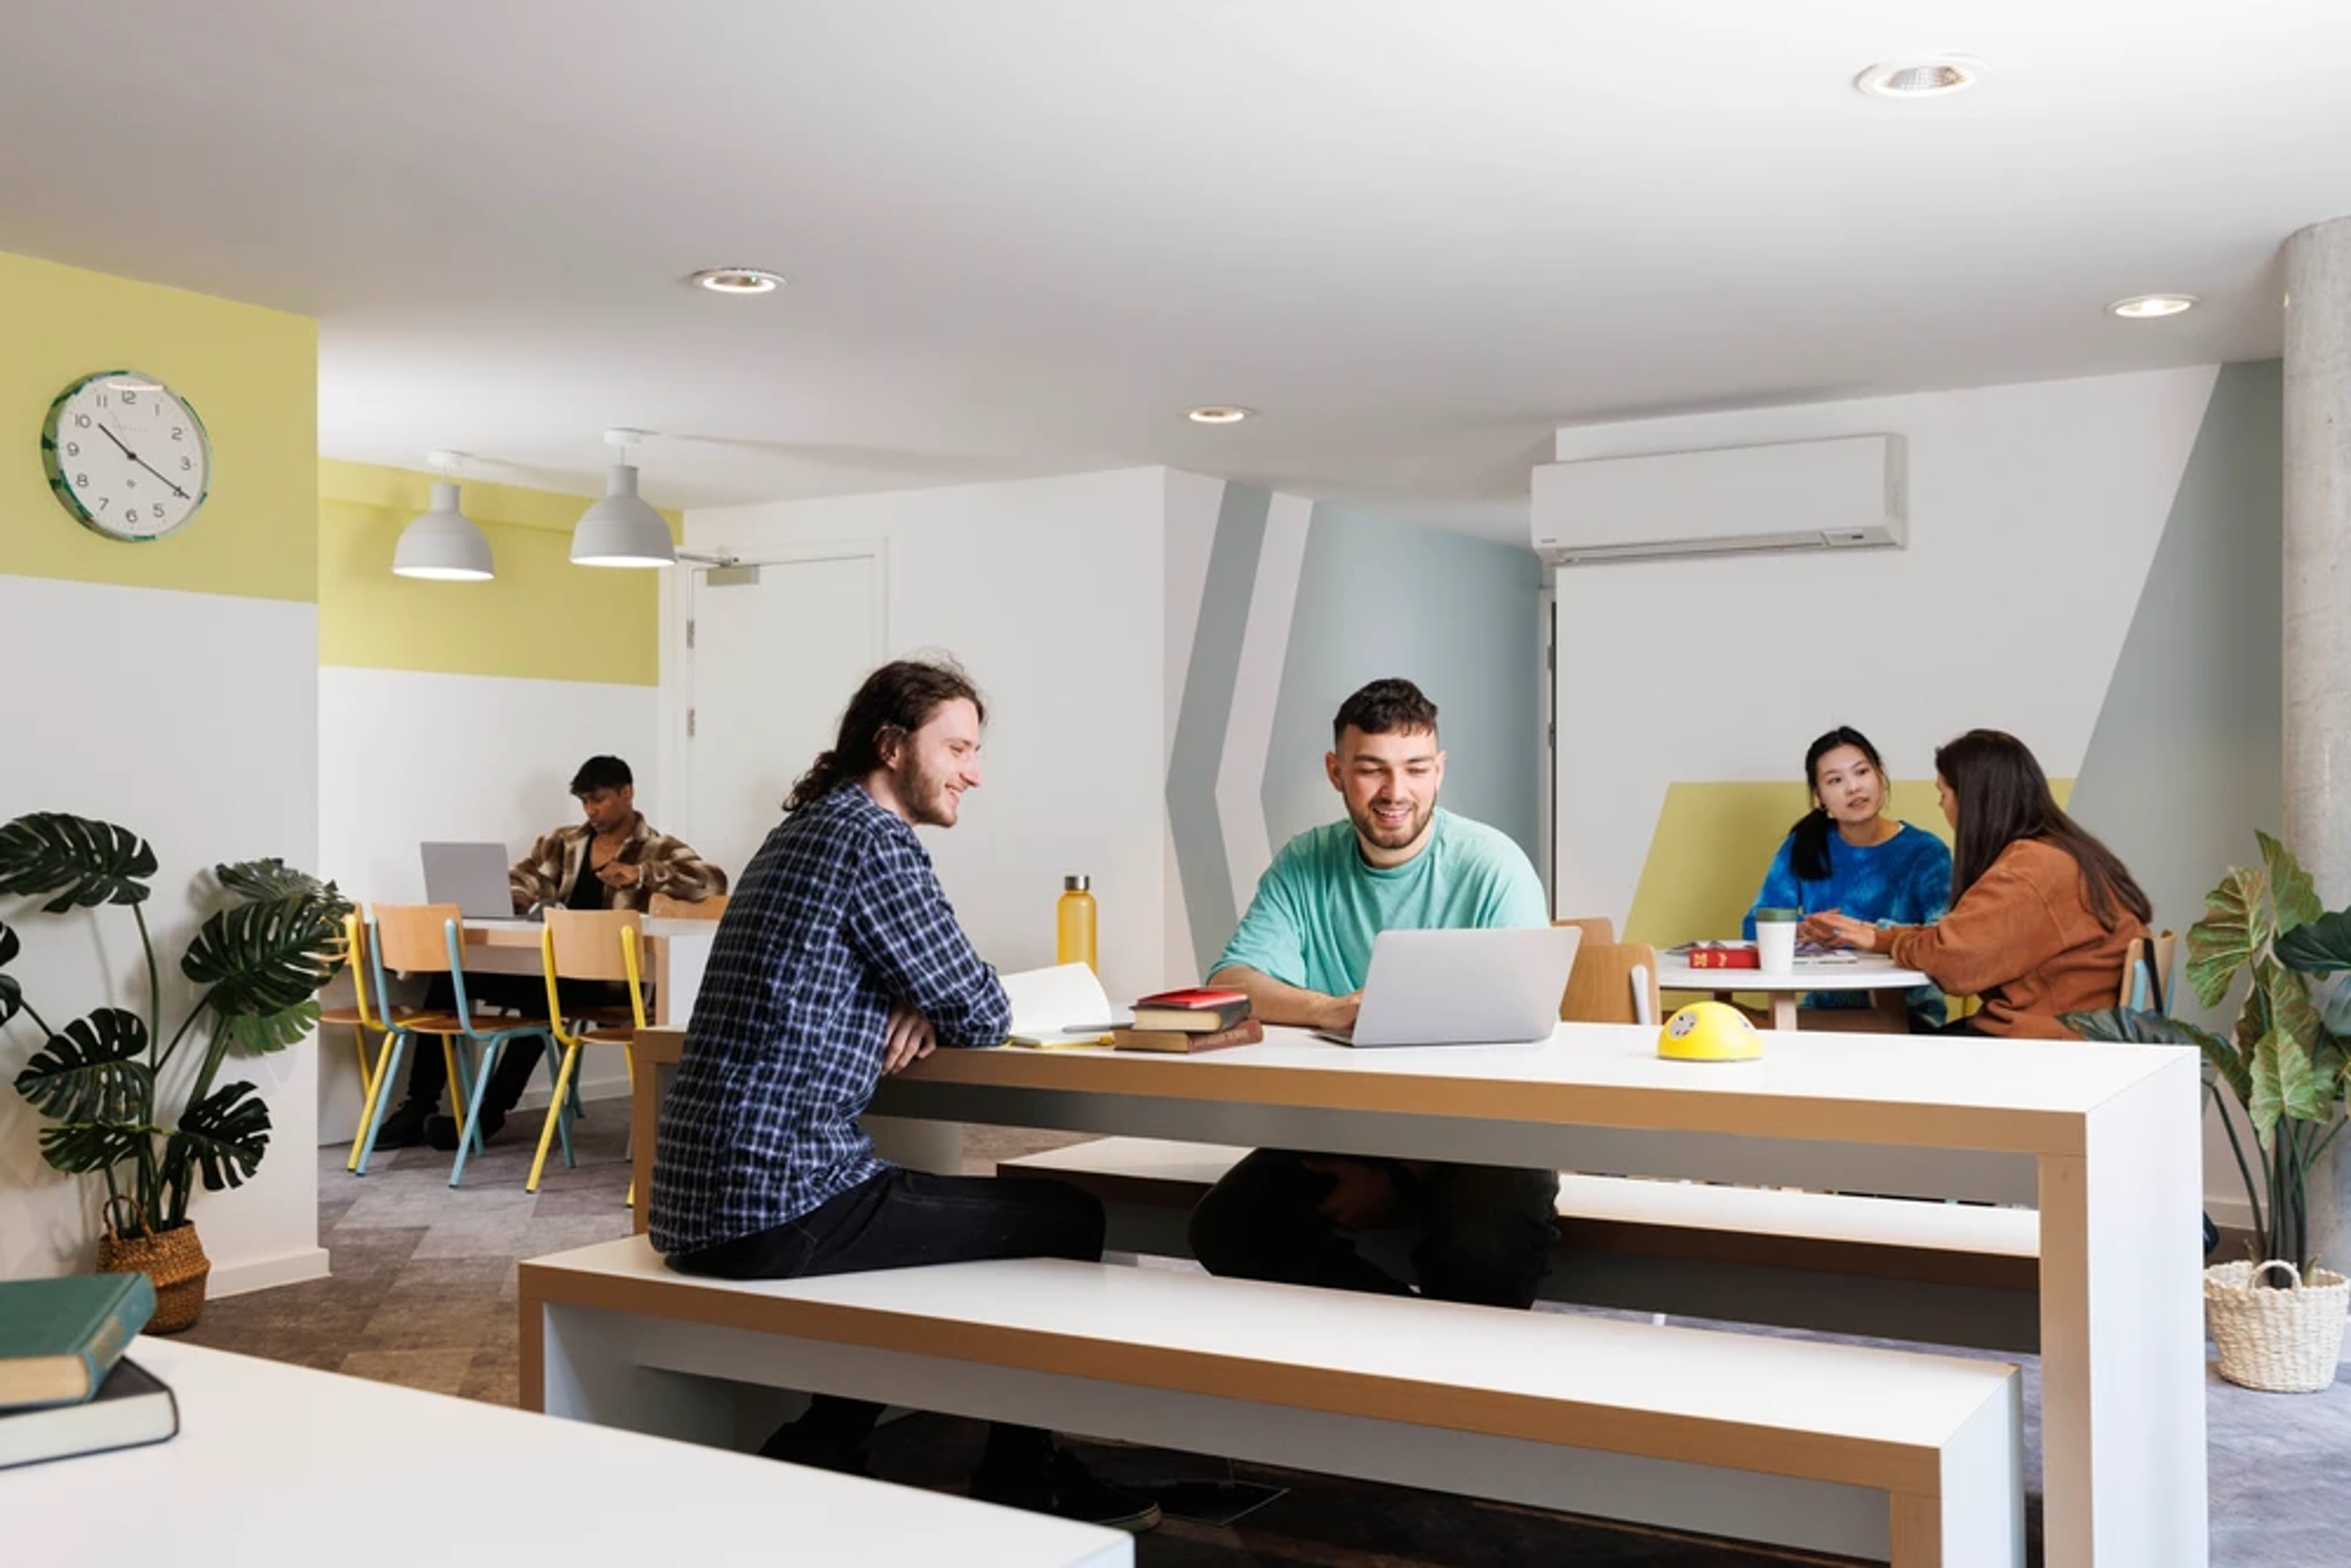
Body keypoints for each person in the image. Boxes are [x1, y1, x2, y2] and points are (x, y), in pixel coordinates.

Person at [648, 658, 1157, 1533]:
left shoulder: (808, 828)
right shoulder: (874, 840)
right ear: (891, 745)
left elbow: (935, 991)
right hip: (779, 1202)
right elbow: (983, 1005)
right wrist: (929, 995)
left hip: (696, 1199)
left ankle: (827, 1440)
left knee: (920, 1193)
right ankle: (1019, 1477)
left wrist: (911, 992)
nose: (974, 770)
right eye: (957, 747)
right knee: (1067, 1215)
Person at [1187, 678, 1559, 1308]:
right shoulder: (1305, 863)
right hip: (1349, 1127)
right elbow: (1232, 982)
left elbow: (1513, 1050)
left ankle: (1442, 1383)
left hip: (1487, 1137)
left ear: (1439, 771)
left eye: (1416, 768)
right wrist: (1335, 1008)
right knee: (1225, 1225)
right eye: (1371, 769)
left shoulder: (1495, 867)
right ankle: (1399, 1352)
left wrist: (1396, 1173)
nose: (1395, 791)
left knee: (1482, 1249)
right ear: (1336, 771)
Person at [372, 756, 728, 1150]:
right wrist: (524, 901)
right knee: (448, 977)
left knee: (545, 1003)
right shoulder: (562, 843)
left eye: (600, 800)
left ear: (627, 794)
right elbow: (520, 879)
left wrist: (642, 875)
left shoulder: (658, 847)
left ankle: (484, 1118)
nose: (592, 811)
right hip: (552, 969)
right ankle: (417, 1107)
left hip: (613, 983)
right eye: (585, 803)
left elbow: (712, 882)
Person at [1810, 729, 2150, 1038]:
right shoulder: (2060, 851)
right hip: (2071, 1029)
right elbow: (1961, 938)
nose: (1941, 806)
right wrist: (1882, 938)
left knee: (1881, 1059)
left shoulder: (2028, 869)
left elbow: (1954, 962)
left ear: (1973, 800)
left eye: (1943, 795)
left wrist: (1889, 942)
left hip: (2044, 1042)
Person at [1749, 726, 1952, 1027]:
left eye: (1861, 773)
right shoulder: (1805, 846)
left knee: (1762, 1034)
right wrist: (1799, 931)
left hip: (1908, 1017)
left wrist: (1865, 934)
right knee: (1738, 1026)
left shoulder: (1926, 852)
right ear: (1820, 797)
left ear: (1881, 777)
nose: (1854, 788)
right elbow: (1753, 927)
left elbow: (1945, 939)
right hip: (1821, 1012)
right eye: (1835, 780)